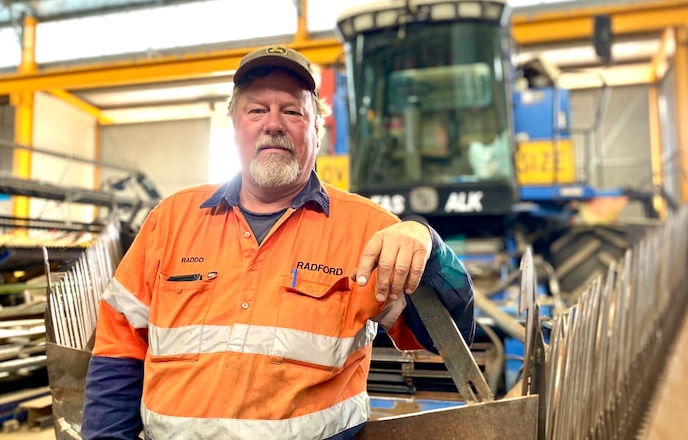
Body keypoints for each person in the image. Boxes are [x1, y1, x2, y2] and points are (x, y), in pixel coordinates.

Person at [82, 45, 475, 440]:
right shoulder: (170, 220)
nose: (273, 124)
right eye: (256, 110)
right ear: (235, 126)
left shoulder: (367, 231)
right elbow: (119, 349)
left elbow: (452, 337)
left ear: (316, 132)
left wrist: (429, 245)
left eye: (292, 111)